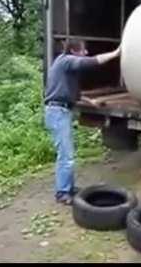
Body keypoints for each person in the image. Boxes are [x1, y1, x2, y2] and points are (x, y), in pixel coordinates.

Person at [44, 39, 120, 205]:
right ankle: (62, 193)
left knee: (67, 154)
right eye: (83, 50)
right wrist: (116, 53)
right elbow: (91, 62)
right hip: (58, 112)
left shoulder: (64, 67)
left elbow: (75, 95)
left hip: (60, 111)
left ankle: (68, 188)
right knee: (66, 155)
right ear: (74, 51)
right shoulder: (66, 60)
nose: (85, 53)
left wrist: (91, 103)